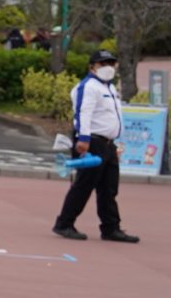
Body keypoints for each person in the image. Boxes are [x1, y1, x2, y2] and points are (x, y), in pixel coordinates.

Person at [54, 48, 139, 244]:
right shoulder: (88, 87)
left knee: (109, 188)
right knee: (84, 185)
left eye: (111, 63)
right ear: (92, 67)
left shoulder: (109, 88)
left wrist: (116, 141)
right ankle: (64, 223)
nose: (108, 68)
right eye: (103, 64)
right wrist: (83, 139)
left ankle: (111, 228)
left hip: (107, 144)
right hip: (91, 141)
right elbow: (83, 113)